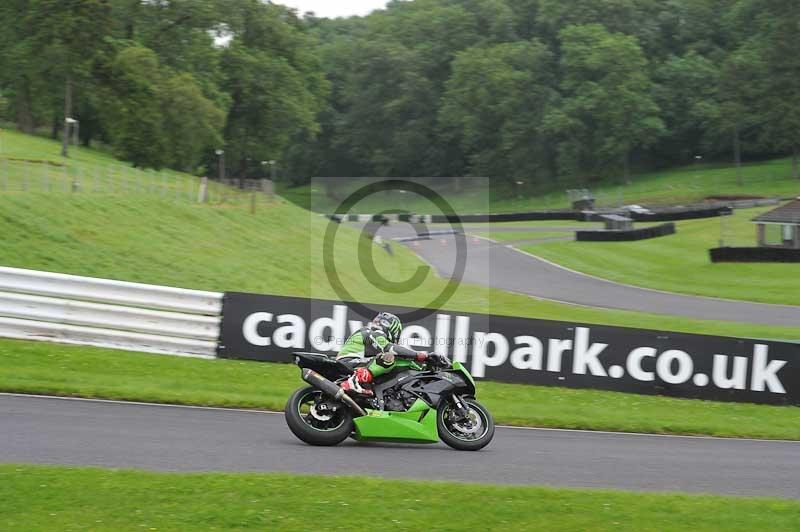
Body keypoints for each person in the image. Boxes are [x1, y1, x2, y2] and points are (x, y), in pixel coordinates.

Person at [336, 312, 445, 396]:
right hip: (347, 364)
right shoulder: (371, 333)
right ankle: (353, 382)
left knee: (391, 361)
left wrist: (423, 368)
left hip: (353, 364)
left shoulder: (370, 337)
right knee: (388, 358)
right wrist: (422, 356)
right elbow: (390, 348)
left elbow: (400, 359)